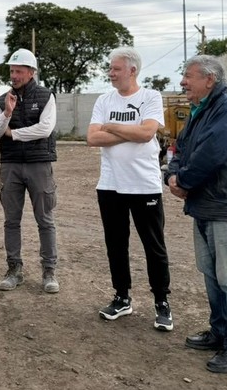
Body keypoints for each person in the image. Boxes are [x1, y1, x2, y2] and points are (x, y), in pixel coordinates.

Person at [165, 54, 227, 374]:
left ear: (210, 79)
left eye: (188, 76)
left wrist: (183, 181)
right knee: (211, 273)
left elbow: (212, 153)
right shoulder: (198, 111)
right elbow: (180, 148)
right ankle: (218, 332)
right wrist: (172, 176)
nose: (183, 82)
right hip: (204, 204)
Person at [87, 47, 173, 331]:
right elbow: (92, 138)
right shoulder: (104, 99)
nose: (110, 73)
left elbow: (147, 133)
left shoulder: (150, 97)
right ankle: (122, 297)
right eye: (110, 69)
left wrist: (111, 127)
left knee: (153, 246)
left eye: (116, 69)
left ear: (132, 70)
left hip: (144, 185)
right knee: (116, 244)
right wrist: (129, 132)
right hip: (110, 185)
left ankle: (161, 302)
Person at [0, 48, 60, 294]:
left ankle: (49, 271)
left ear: (31, 72)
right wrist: (7, 113)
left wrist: (14, 134)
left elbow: (45, 129)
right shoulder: (2, 99)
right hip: (10, 165)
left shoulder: (46, 96)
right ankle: (14, 269)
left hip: (39, 164)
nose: (14, 75)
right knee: (11, 220)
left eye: (18, 71)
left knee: (45, 219)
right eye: (11, 70)